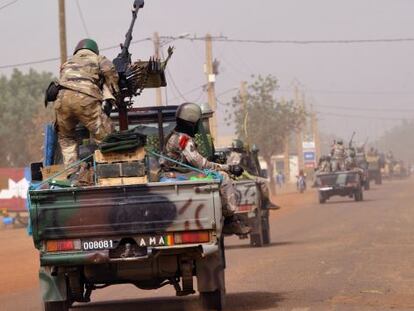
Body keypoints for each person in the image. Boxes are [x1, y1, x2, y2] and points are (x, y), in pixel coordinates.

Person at [161, 103, 250, 235]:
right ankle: (230, 220)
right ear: (191, 122)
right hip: (180, 174)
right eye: (198, 122)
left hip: (179, 172)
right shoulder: (183, 140)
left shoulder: (176, 136)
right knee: (223, 177)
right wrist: (228, 168)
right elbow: (201, 164)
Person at [55, 39, 119, 176]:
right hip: (85, 99)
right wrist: (113, 86)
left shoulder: (67, 63)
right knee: (106, 136)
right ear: (94, 50)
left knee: (67, 138)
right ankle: (110, 170)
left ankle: (72, 173)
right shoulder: (98, 58)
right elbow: (109, 69)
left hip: (62, 101)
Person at [227, 139, 280, 210]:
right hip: (242, 176)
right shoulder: (240, 155)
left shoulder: (229, 156)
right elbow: (240, 168)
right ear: (240, 147)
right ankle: (266, 202)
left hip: (234, 178)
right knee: (264, 181)